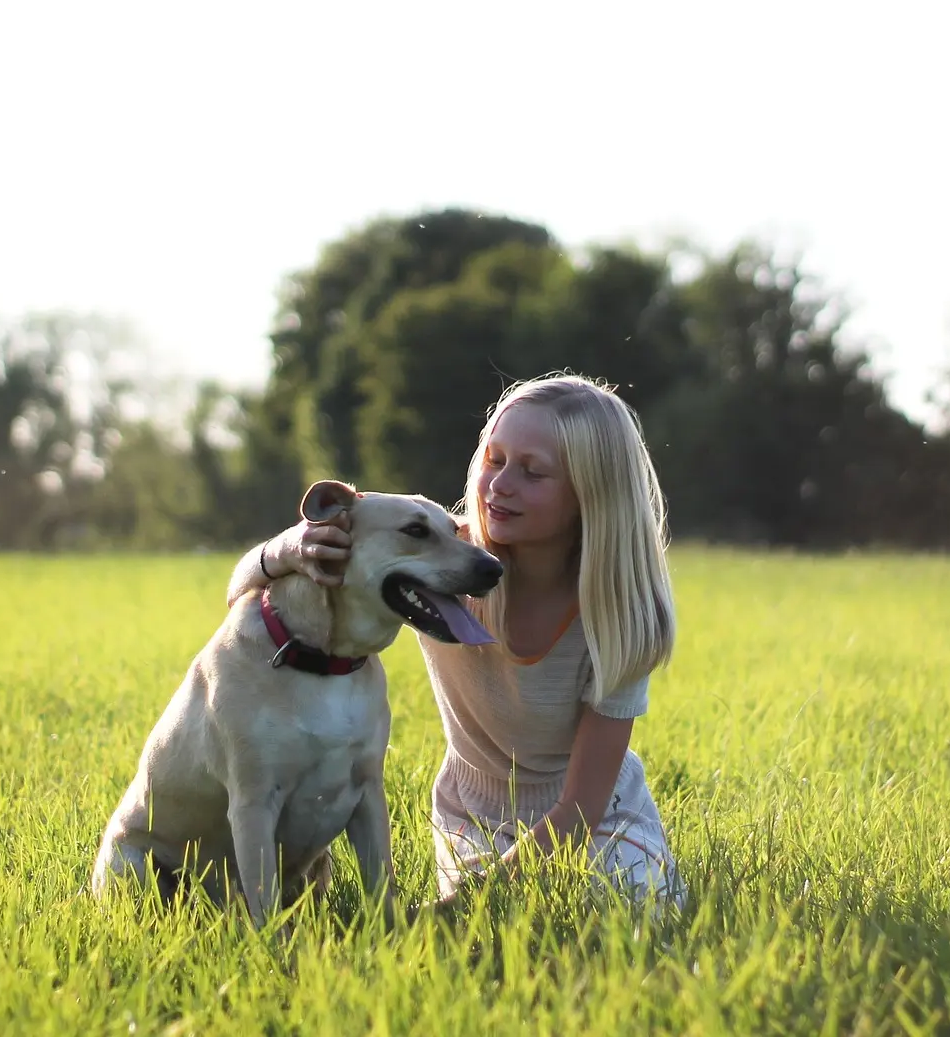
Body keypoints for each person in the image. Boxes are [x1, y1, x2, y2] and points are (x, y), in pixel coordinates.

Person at [224, 374, 684, 909]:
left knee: (622, 908)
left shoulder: (619, 614)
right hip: (475, 815)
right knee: (500, 926)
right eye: (493, 460)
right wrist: (287, 549)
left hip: (598, 816)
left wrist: (444, 912)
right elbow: (242, 592)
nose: (499, 485)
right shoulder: (436, 558)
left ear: (590, 495)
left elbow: (579, 811)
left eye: (532, 472)